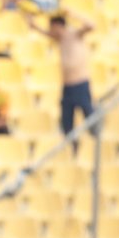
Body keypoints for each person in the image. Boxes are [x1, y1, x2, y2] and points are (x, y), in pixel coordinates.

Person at [28, 10, 94, 144]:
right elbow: (40, 30)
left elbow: (91, 25)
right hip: (67, 87)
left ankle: (96, 143)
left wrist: (72, 14)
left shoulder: (74, 34)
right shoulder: (60, 39)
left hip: (80, 84)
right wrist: (31, 17)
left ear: (58, 26)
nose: (50, 30)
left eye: (51, 27)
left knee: (90, 118)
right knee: (66, 122)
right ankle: (72, 147)